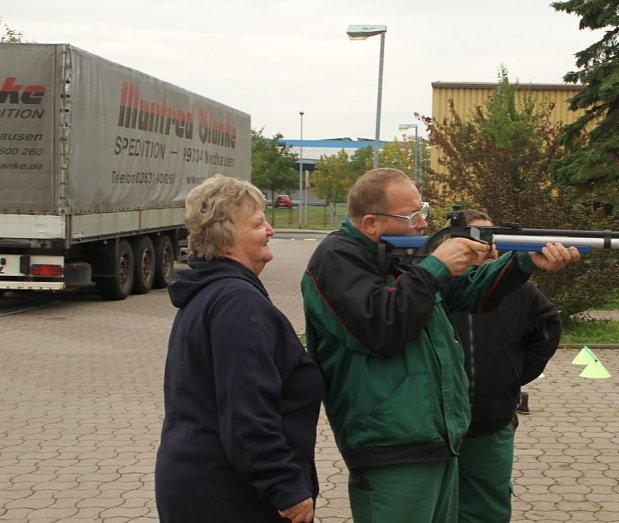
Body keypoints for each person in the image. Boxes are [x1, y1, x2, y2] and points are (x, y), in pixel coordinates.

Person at [301, 168, 578, 523]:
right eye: (411, 216)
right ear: (370, 223)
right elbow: (380, 327)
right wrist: (434, 267)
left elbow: (467, 293)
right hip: (391, 443)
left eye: (423, 211)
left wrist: (523, 262)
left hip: (435, 437)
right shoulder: (336, 258)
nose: (422, 224)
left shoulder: (396, 256)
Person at [155, 174, 323, 523]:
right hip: (228, 495)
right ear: (227, 238)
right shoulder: (237, 303)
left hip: (201, 482)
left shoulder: (212, 293)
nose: (271, 230)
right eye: (260, 223)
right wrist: (285, 487)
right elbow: (248, 411)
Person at [450, 209, 562, 523]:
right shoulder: (434, 286)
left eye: (493, 240)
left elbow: (547, 328)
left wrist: (511, 376)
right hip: (435, 431)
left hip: (491, 425)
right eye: (479, 239)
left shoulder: (518, 289)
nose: (489, 248)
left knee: (487, 511)